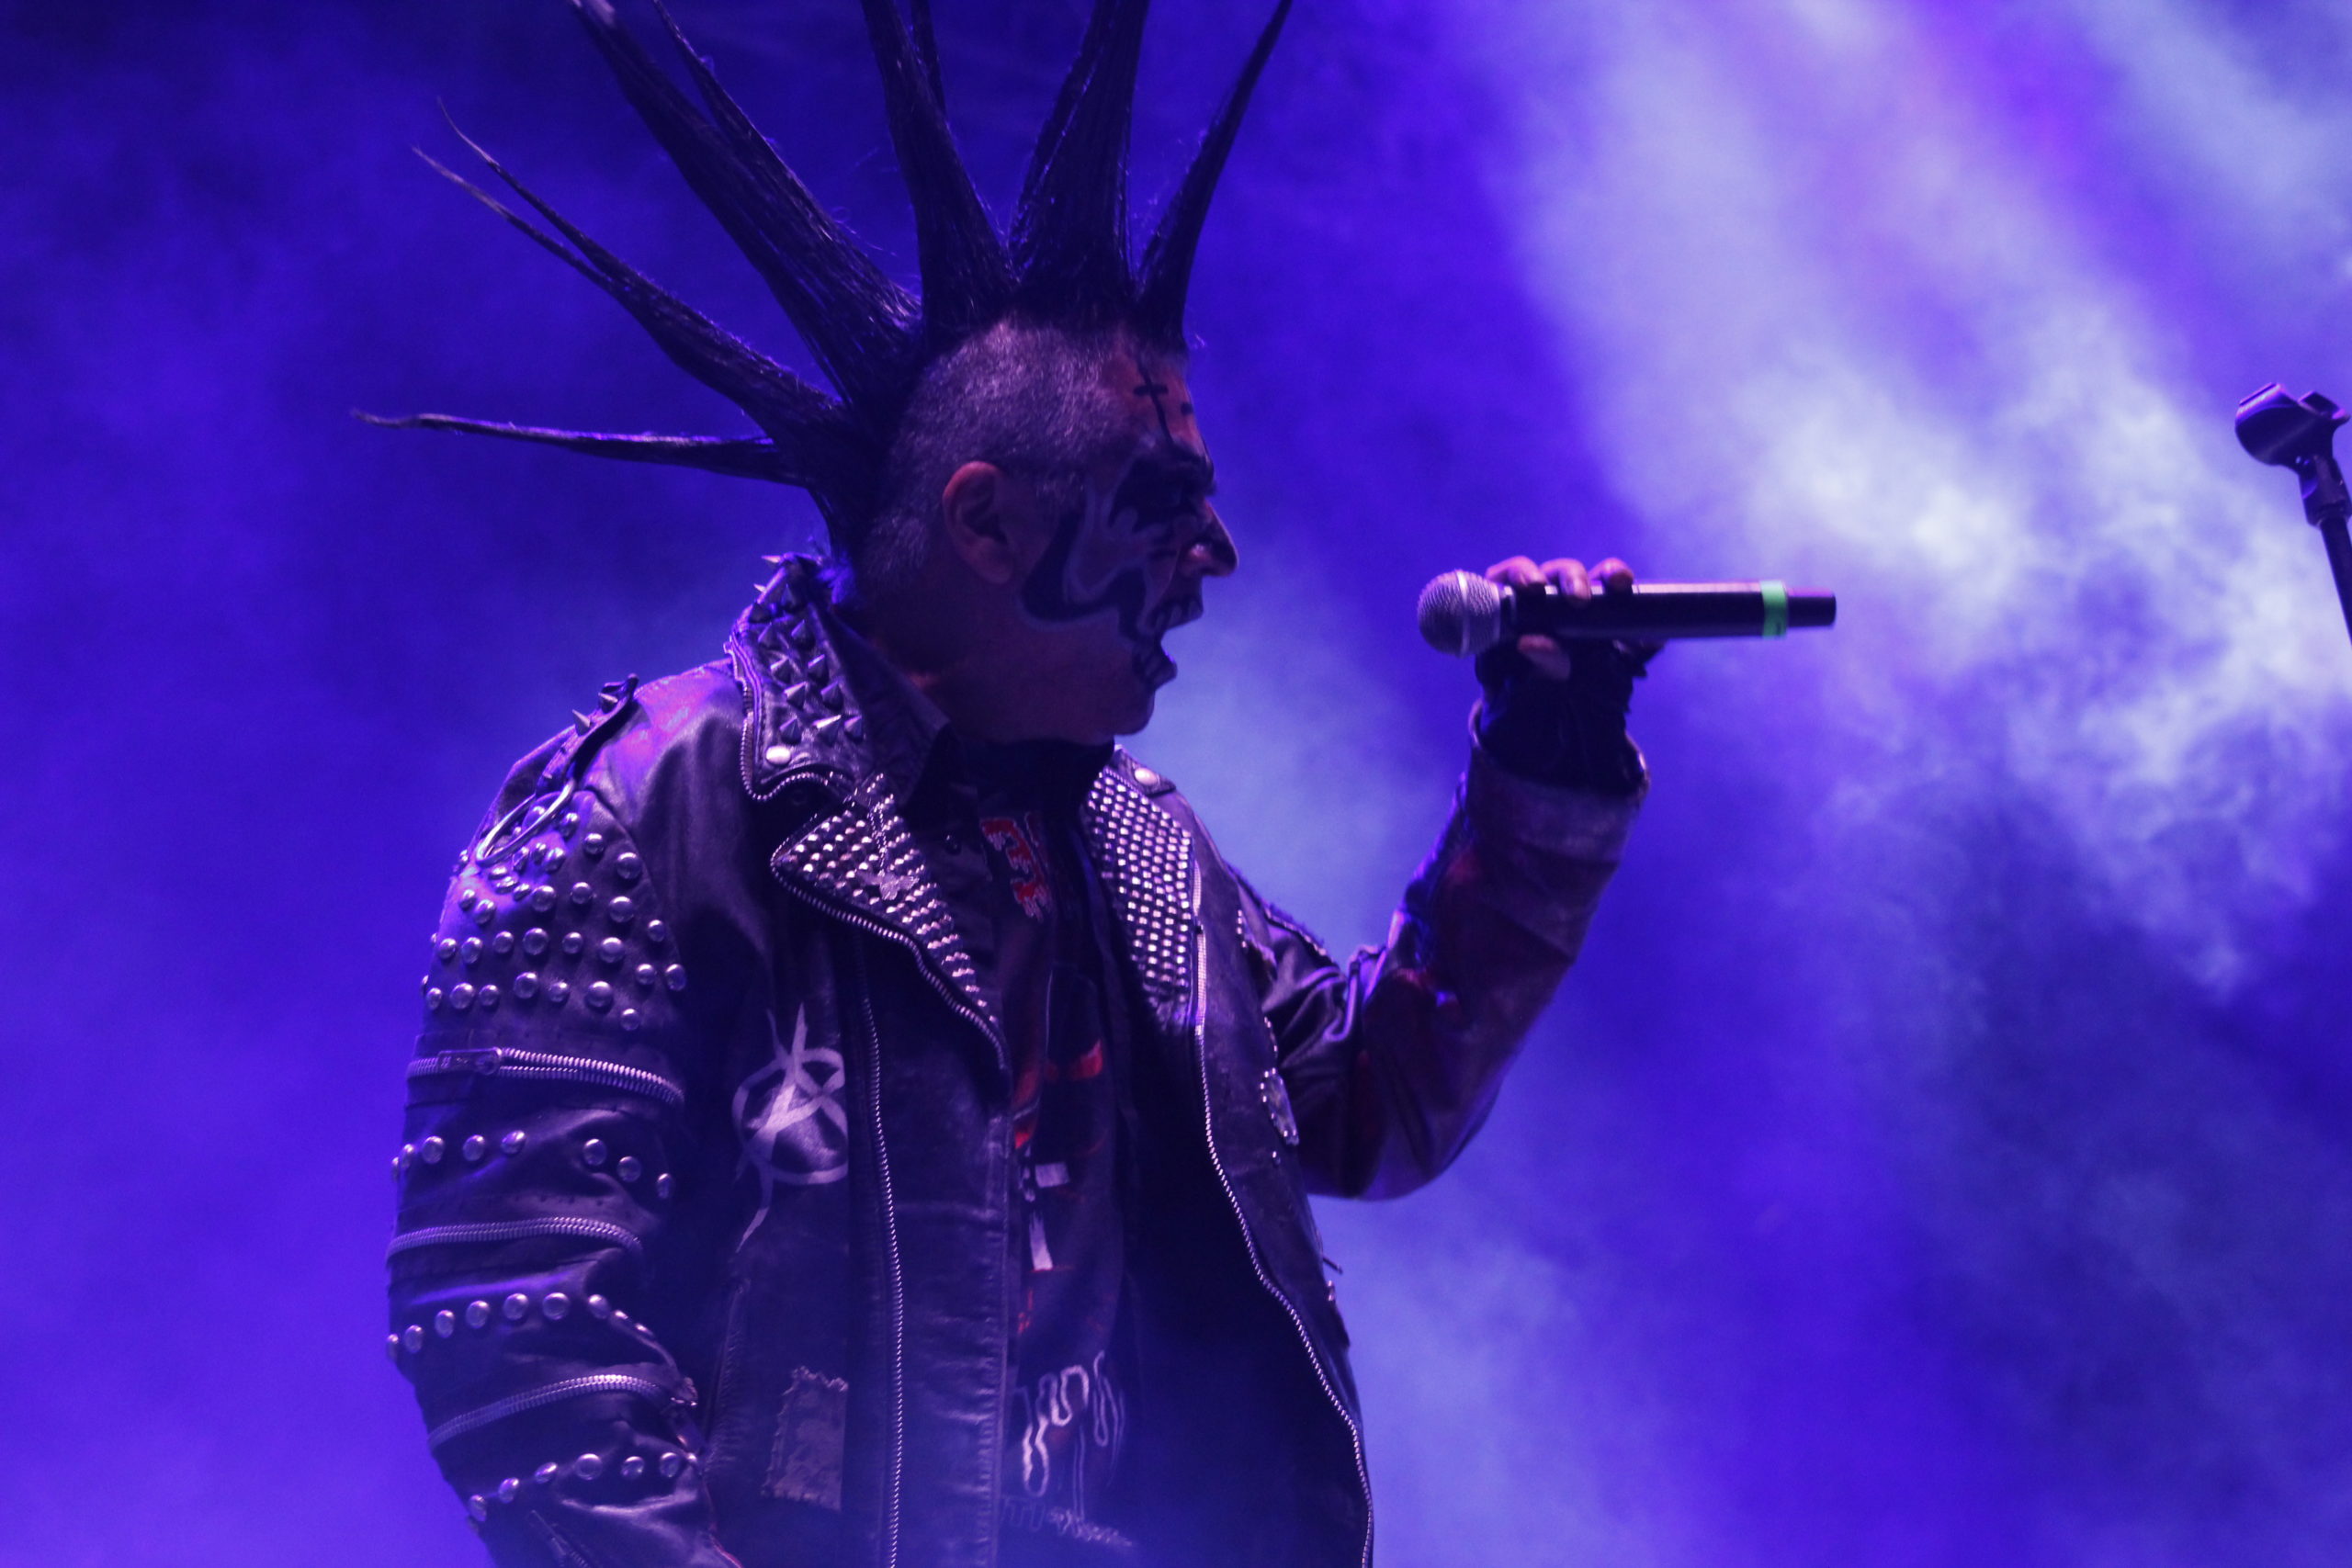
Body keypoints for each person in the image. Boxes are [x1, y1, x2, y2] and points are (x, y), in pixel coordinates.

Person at [380, 3, 1652, 1563]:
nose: (1214, 555)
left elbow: (1370, 1105)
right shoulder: (654, 806)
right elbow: (515, 1324)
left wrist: (1541, 770)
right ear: (984, 524)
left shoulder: (1135, 847)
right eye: (1162, 500)